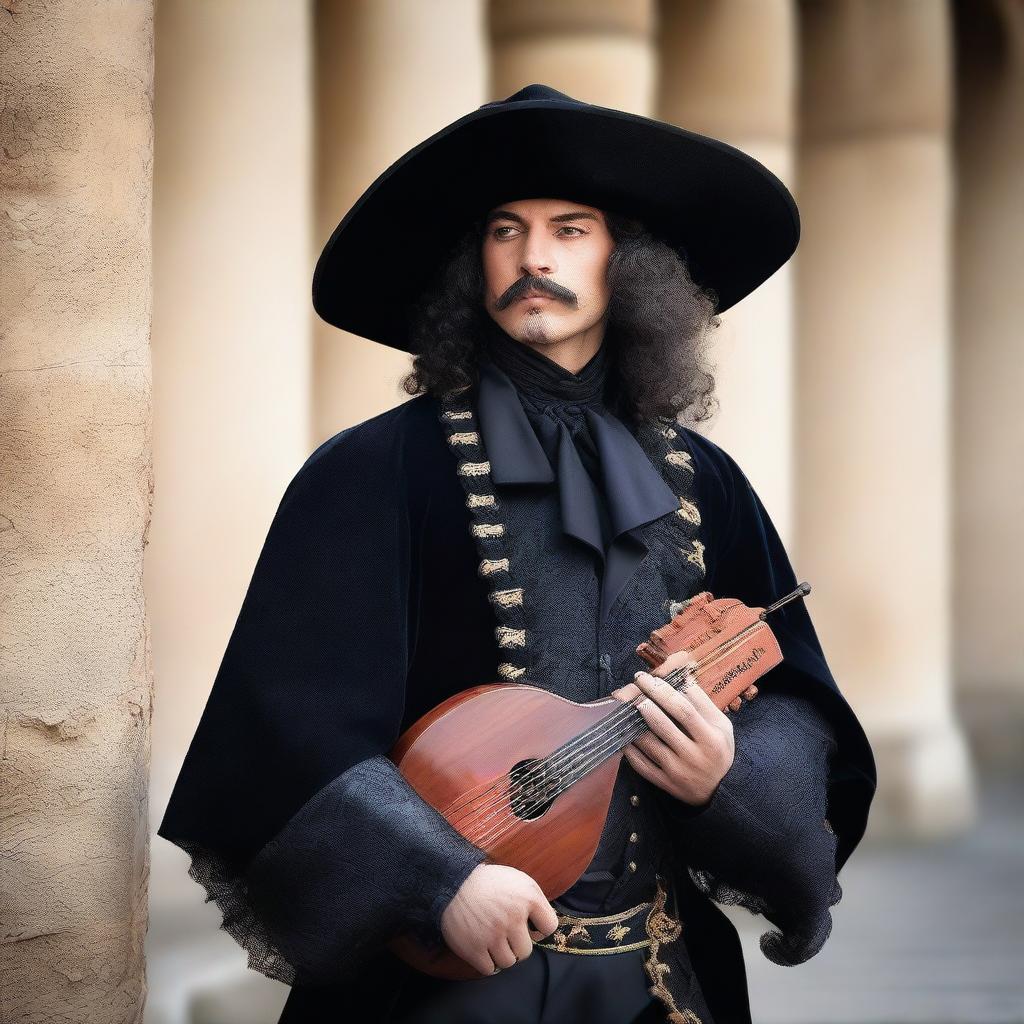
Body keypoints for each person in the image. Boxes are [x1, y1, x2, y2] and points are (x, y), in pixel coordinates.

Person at [157, 84, 876, 1024]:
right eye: (505, 231)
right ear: (472, 263)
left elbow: (799, 704)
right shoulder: (377, 471)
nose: (533, 258)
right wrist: (438, 878)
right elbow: (285, 725)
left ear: (632, 263)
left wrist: (726, 776)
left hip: (667, 985)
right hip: (433, 991)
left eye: (570, 229)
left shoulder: (707, 480)